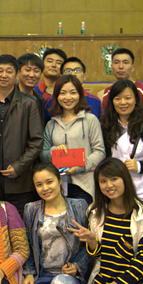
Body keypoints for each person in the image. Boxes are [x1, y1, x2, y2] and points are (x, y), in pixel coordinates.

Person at [22, 163, 90, 284]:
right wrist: (29, 272)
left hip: (69, 276)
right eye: (39, 184)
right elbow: (27, 243)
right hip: (43, 275)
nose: (45, 188)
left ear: (59, 180)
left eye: (49, 182)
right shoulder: (31, 209)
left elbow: (88, 245)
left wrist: (78, 266)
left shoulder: (80, 206)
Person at [0, 54, 43, 216]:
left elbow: (36, 142)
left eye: (9, 71)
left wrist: (18, 166)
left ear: (17, 74)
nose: (4, 75)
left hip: (19, 181)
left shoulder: (29, 103)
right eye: (0, 71)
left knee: (20, 226)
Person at [101, 79, 143, 230]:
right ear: (112, 102)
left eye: (128, 98)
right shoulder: (106, 127)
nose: (123, 102)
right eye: (118, 98)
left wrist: (139, 166)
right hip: (115, 193)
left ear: (136, 100)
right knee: (119, 234)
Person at [42, 75, 105, 205]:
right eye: (62, 93)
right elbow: (43, 154)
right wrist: (54, 151)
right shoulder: (51, 124)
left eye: (73, 92)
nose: (68, 97)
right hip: (57, 186)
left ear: (80, 94)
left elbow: (100, 152)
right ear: (56, 96)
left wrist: (79, 167)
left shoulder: (90, 120)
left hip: (84, 186)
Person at [101, 48, 143, 117]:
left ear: (133, 67)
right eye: (116, 62)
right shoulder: (102, 95)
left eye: (125, 62)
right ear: (111, 67)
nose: (121, 66)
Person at [17, 53, 47, 126]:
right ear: (18, 72)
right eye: (28, 70)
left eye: (36, 71)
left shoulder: (40, 100)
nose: (31, 75)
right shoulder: (8, 96)